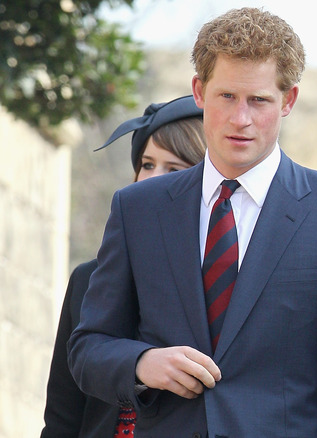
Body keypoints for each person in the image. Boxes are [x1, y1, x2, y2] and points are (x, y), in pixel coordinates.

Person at [68, 7, 317, 437]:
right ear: (199, 92)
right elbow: (88, 347)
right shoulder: (137, 209)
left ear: (289, 101)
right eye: (227, 97)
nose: (241, 119)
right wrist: (142, 363)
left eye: (259, 100)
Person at [41, 95, 206, 438]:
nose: (151, 180)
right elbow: (62, 420)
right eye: (147, 165)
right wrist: (139, 364)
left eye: (174, 170)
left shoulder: (221, 284)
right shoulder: (89, 280)